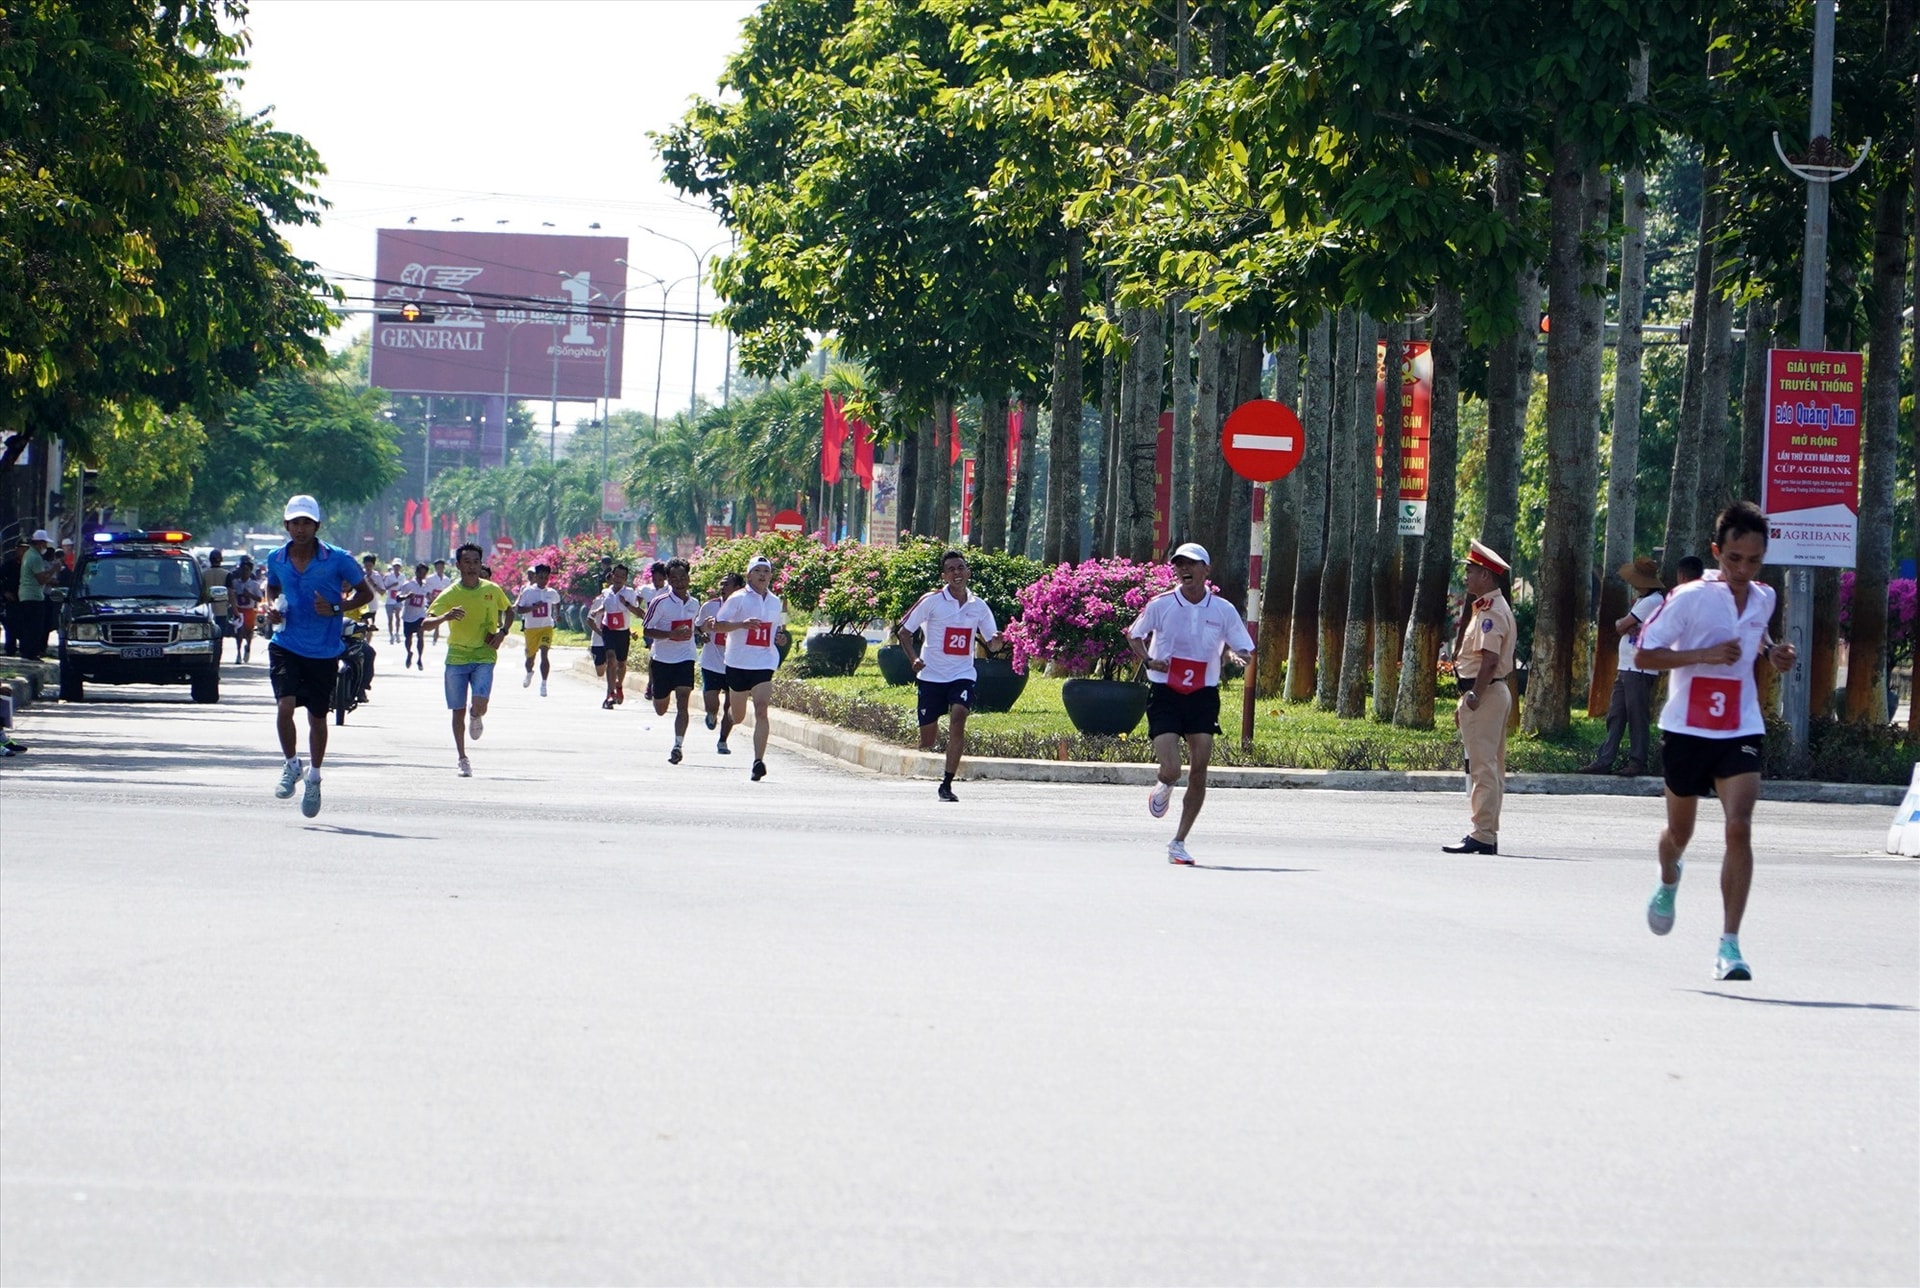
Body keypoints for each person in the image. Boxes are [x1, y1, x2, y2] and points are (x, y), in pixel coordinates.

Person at [1635, 501, 1796, 982]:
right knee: (1678, 836)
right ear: (1716, 552)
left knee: (1739, 826)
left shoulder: (1764, 596)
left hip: (1740, 728)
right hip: (1686, 728)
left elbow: (1758, 633)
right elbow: (1643, 654)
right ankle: (1669, 876)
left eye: (1753, 560)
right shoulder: (1689, 598)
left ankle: (1729, 945)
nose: (1743, 570)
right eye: (1733, 560)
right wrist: (1702, 654)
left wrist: (1773, 653)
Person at [1123, 543, 1254, 863]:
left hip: (1203, 695)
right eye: (1179, 564)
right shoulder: (1161, 605)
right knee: (1171, 768)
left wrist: (1237, 655)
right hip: (1165, 693)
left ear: (1206, 570)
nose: (1185, 569)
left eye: (1192, 564)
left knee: (1199, 770)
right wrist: (1149, 661)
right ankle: (1164, 786)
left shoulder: (1222, 610)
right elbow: (1134, 635)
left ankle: (1178, 842)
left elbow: (1244, 649)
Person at [264, 495, 373, 818]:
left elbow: (365, 593)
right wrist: (270, 606)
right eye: (295, 523)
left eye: (306, 523)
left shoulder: (337, 559)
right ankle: (290, 765)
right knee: (285, 706)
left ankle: (314, 776)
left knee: (317, 717)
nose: (300, 529)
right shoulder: (276, 558)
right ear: (286, 525)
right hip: (285, 643)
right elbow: (271, 587)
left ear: (317, 526)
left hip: (324, 649)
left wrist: (337, 607)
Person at [898, 549, 1006, 802]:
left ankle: (946, 784)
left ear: (968, 572)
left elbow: (992, 644)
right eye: (952, 569)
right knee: (928, 740)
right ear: (944, 576)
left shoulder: (978, 606)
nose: (957, 573)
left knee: (959, 718)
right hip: (932, 676)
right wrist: (914, 659)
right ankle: (922, 747)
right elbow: (905, 632)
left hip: (962, 673)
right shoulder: (931, 602)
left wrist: (998, 641)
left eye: (961, 568)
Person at [1442, 539, 1517, 856]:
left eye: (1471, 571)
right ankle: (1487, 831)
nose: (1467, 577)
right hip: (1488, 692)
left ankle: (1483, 833)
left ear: (1486, 575)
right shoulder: (1489, 607)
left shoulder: (1490, 612)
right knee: (1490, 766)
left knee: (1482, 767)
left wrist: (1474, 695)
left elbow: (1488, 659)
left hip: (1485, 692)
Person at [420, 542, 514, 777]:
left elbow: (510, 610)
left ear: (481, 564)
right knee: (457, 711)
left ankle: (477, 714)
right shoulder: (451, 593)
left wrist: (503, 633)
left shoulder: (491, 589)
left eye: (475, 562)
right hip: (457, 658)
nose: (471, 567)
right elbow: (425, 625)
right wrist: (445, 616)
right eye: (467, 562)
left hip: (484, 654)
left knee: (480, 705)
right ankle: (462, 758)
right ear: (458, 565)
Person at [1580, 556, 1667, 776]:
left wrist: (1625, 623)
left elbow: (1621, 625)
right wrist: (1627, 624)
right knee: (1616, 714)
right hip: (1628, 665)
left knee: (1637, 716)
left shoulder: (1651, 601)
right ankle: (1605, 758)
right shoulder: (1643, 600)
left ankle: (1638, 762)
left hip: (1639, 668)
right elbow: (1627, 625)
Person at [703, 555, 785, 781]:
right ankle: (729, 715)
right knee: (738, 717)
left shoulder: (775, 602)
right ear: (749, 575)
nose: (762, 575)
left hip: (764, 662)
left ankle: (758, 761)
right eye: (757, 571)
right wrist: (742, 624)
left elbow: (775, 630)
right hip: (738, 663)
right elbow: (717, 626)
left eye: (766, 571)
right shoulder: (737, 599)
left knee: (761, 710)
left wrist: (779, 637)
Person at [643, 558, 700, 762]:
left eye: (683, 577)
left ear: (688, 578)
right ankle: (654, 686)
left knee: (683, 700)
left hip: (686, 657)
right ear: (668, 580)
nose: (679, 582)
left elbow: (697, 626)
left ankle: (678, 745)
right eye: (674, 578)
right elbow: (647, 629)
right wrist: (670, 633)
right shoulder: (660, 602)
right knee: (661, 709)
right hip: (663, 659)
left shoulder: (694, 603)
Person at [698, 571, 744, 754]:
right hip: (711, 661)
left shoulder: (745, 608)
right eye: (722, 584)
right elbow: (697, 627)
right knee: (712, 703)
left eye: (728, 584)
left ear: (738, 588)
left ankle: (723, 741)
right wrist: (703, 632)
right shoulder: (710, 606)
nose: (723, 587)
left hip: (736, 663)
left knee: (730, 706)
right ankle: (710, 714)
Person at [587, 564, 643, 709]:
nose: (618, 579)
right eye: (616, 576)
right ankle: (610, 693)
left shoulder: (630, 592)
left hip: (623, 631)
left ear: (626, 579)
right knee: (610, 658)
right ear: (612, 576)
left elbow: (638, 611)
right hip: (608, 629)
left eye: (622, 577)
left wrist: (626, 604)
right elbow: (607, 606)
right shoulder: (606, 592)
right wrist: (597, 611)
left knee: (622, 663)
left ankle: (619, 686)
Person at [515, 563, 561, 695]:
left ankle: (544, 684)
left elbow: (557, 602)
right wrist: (533, 608)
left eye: (546, 578)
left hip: (546, 627)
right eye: (540, 577)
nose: (543, 580)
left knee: (544, 653)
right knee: (530, 658)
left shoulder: (551, 593)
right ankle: (529, 672)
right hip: (531, 629)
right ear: (535, 577)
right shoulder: (528, 592)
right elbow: (519, 609)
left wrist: (557, 614)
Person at [16, 529, 58, 660]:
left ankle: (29, 652)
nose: (46, 547)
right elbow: (41, 580)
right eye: (45, 543)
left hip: (28, 595)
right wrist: (53, 570)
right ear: (40, 543)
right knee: (35, 627)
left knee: (30, 625)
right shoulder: (35, 557)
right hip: (32, 596)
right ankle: (31, 653)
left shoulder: (30, 555)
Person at [225, 555, 263, 664]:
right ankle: (238, 653)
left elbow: (260, 598)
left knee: (248, 631)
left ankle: (248, 647)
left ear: (250, 571)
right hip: (239, 610)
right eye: (242, 569)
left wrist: (249, 595)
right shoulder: (236, 582)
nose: (244, 572)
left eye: (247, 570)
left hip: (249, 610)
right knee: (239, 632)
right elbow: (231, 594)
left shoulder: (254, 584)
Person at [396, 562, 432, 668]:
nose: (422, 575)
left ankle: (420, 658)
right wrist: (407, 596)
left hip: (420, 615)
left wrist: (431, 602)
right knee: (408, 638)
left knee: (420, 636)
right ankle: (409, 653)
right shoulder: (408, 584)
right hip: (408, 616)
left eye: (424, 573)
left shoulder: (426, 586)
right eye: (421, 573)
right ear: (416, 572)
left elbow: (429, 597)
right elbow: (398, 597)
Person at [422, 558, 453, 641]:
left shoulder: (447, 580)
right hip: (430, 601)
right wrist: (430, 597)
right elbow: (426, 590)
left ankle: (436, 631)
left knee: (439, 616)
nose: (440, 569)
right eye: (438, 567)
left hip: (441, 602)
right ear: (435, 568)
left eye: (442, 567)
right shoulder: (430, 578)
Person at [383, 559, 405, 643]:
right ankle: (391, 635)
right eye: (395, 566)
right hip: (389, 600)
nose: (397, 568)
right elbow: (384, 588)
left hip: (398, 599)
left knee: (398, 616)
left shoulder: (402, 576)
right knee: (390, 619)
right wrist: (392, 585)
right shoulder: (388, 576)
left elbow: (403, 587)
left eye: (398, 566)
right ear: (393, 567)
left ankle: (397, 633)